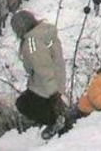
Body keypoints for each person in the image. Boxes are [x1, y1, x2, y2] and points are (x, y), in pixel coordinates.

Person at [11, 10, 68, 139]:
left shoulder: (32, 42)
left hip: (46, 84)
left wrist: (54, 94)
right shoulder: (45, 32)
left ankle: (56, 122)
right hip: (56, 78)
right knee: (36, 102)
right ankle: (60, 121)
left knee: (23, 103)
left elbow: (42, 68)